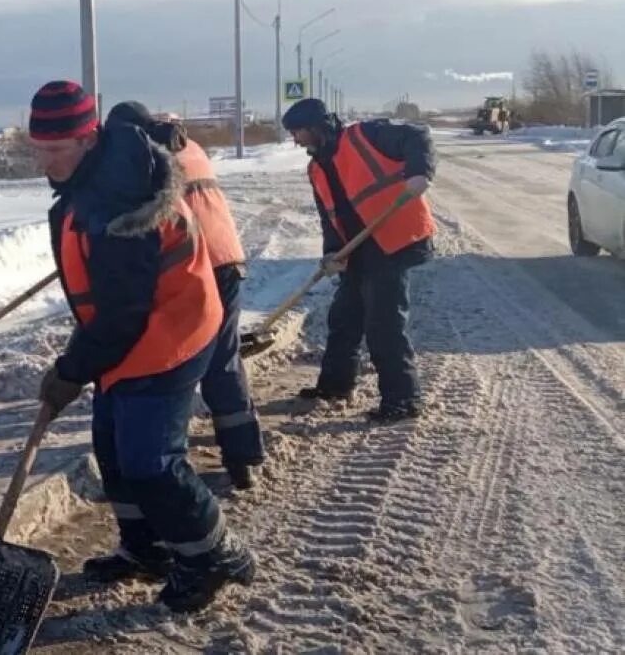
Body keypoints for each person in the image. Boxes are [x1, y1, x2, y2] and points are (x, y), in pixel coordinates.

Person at [30, 81, 255, 613]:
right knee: (112, 450)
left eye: (56, 150)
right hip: (132, 332)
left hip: (170, 331)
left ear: (89, 138)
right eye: (38, 149)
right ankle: (146, 548)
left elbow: (124, 312)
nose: (45, 161)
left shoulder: (121, 200)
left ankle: (212, 555)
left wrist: (71, 370)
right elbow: (110, 304)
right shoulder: (95, 175)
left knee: (150, 461)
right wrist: (83, 354)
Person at [110, 102, 265, 489]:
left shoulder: (141, 156)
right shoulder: (186, 144)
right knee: (223, 360)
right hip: (225, 257)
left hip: (192, 262)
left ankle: (164, 463)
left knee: (171, 364)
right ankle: (243, 457)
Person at [280, 97, 435, 423]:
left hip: (391, 239)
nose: (295, 140)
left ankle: (404, 400)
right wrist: (331, 253)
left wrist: (420, 172)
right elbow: (329, 215)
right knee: (344, 319)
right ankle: (335, 386)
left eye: (297, 132)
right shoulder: (316, 167)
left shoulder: (365, 135)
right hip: (356, 248)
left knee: (384, 325)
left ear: (314, 127)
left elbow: (417, 135)